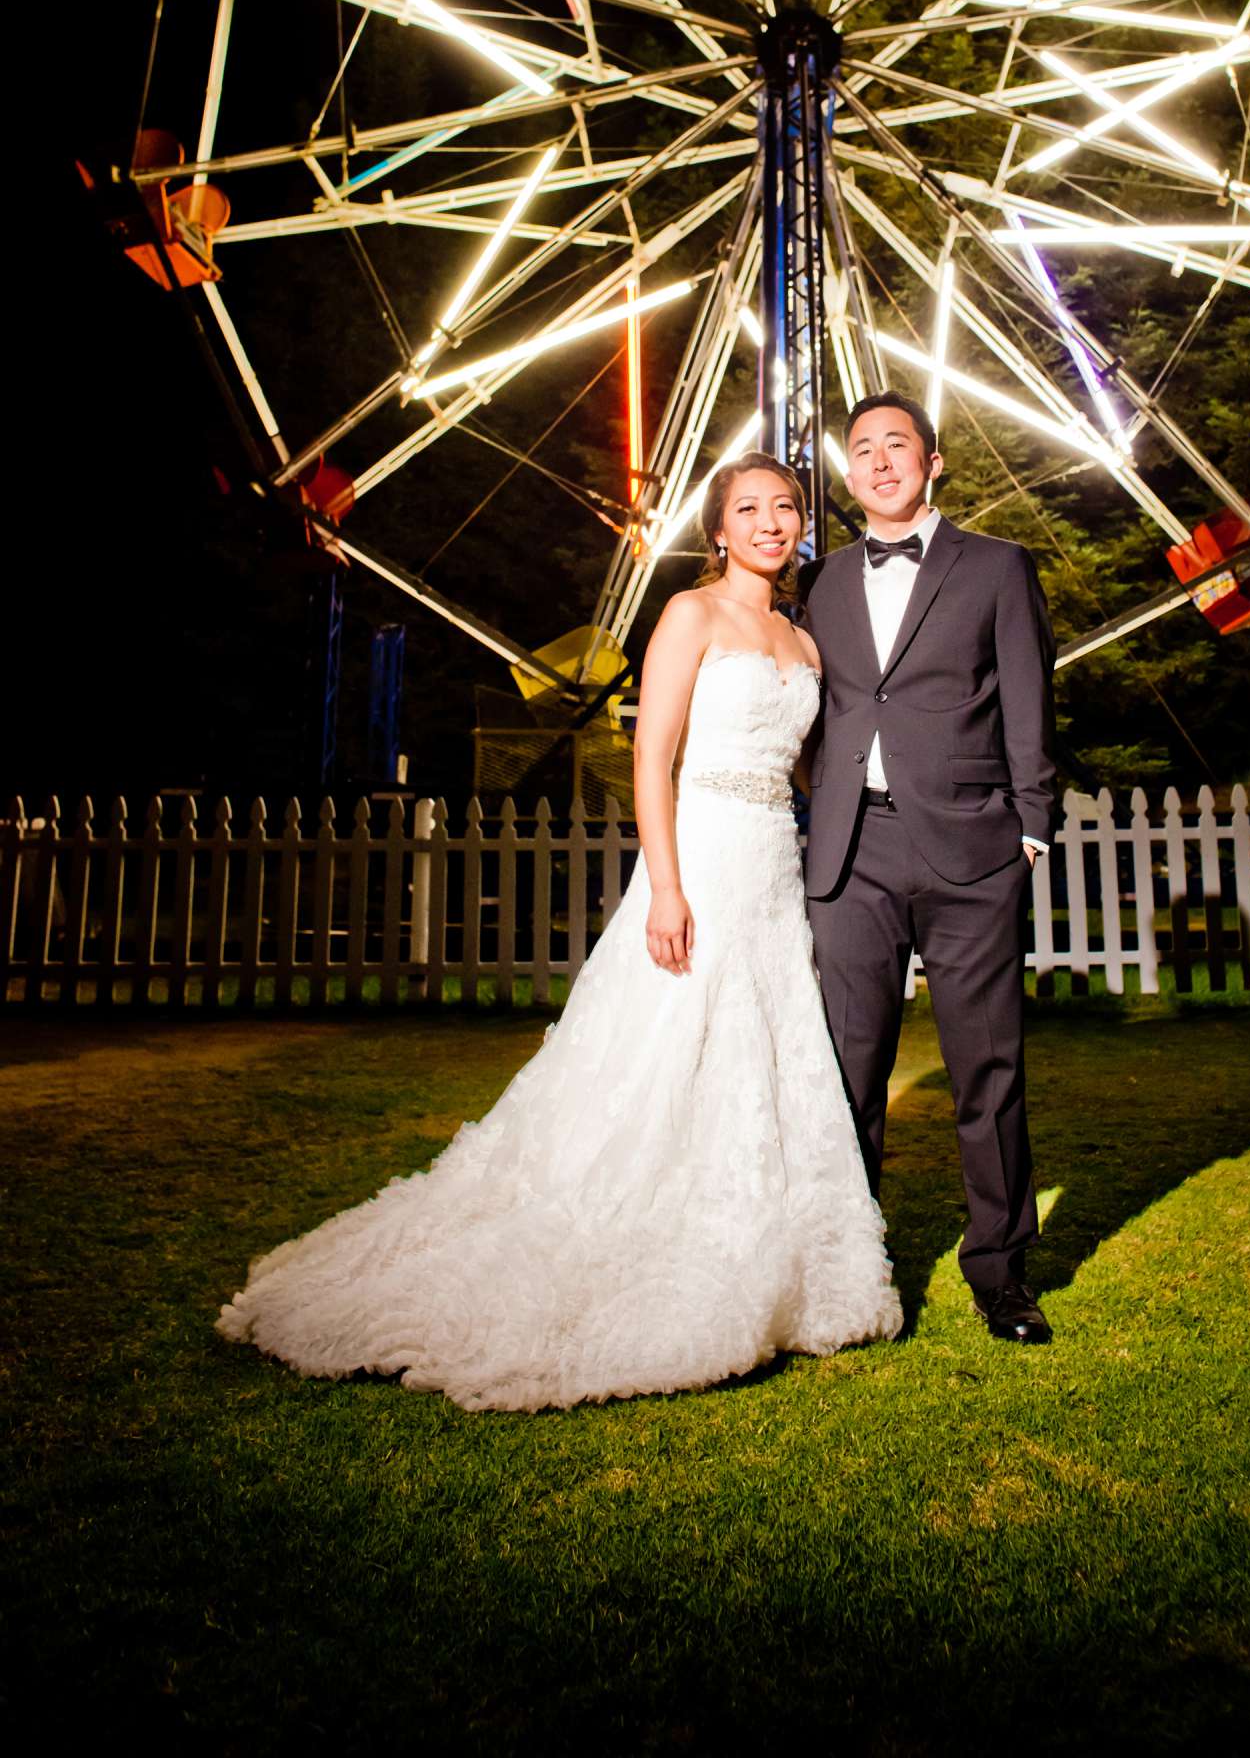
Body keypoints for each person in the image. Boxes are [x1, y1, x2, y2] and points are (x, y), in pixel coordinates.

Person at [216, 456, 901, 1412]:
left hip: (773, 872)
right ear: (719, 531)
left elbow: (810, 769)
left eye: (784, 508)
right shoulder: (690, 617)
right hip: (701, 856)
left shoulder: (802, 638)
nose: (770, 522)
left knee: (767, 1049)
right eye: (748, 509)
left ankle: (763, 1235)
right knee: (659, 1051)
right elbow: (651, 757)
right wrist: (664, 887)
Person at [801, 392, 1058, 1345]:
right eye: (861, 448)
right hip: (852, 855)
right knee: (844, 1073)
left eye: (896, 445)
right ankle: (851, 1263)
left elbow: (1029, 696)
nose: (877, 462)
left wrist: (1029, 828)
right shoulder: (820, 582)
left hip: (970, 851)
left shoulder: (994, 567)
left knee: (986, 1069)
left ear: (934, 461)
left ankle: (1000, 1272)